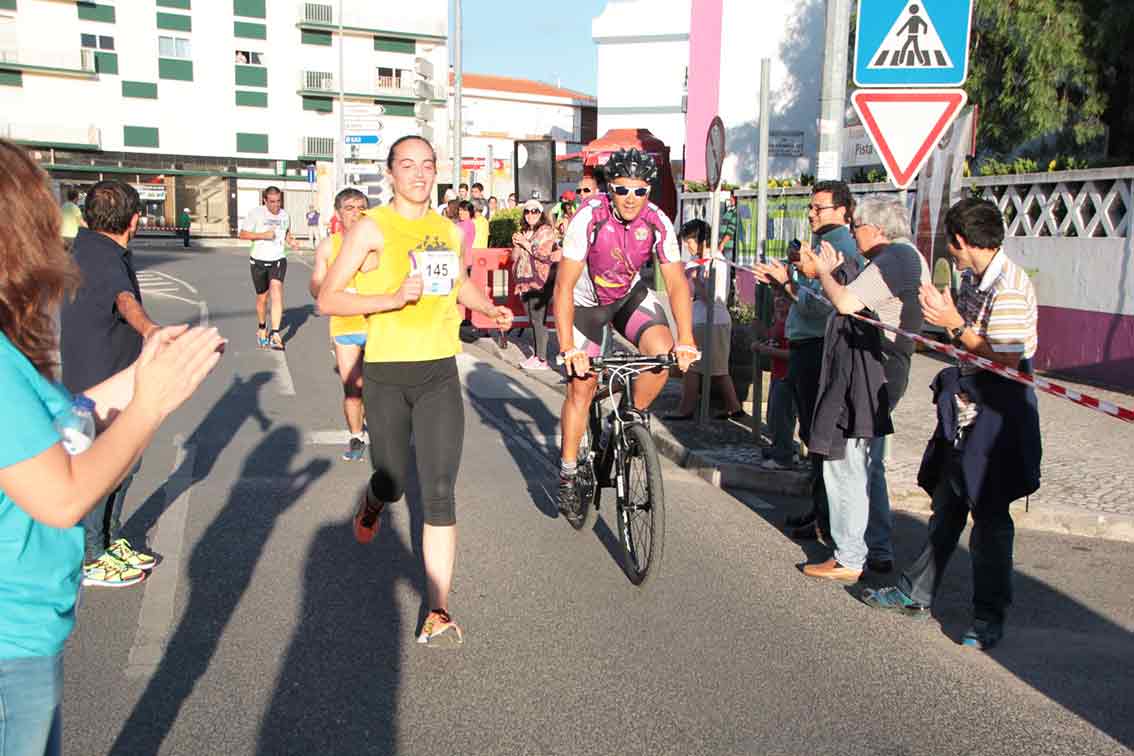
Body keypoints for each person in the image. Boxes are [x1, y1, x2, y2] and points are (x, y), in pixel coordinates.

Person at [0, 139, 225, 755]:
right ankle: (103, 552)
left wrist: (144, 373)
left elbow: (58, 424)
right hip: (11, 644)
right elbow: (60, 497)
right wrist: (149, 404)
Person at [317, 134, 513, 647]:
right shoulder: (371, 227)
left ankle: (438, 609)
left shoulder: (447, 229)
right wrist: (390, 297)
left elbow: (458, 283)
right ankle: (373, 501)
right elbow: (328, 299)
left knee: (440, 490)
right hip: (385, 374)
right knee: (392, 482)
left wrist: (486, 307)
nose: (419, 174)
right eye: (407, 165)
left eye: (427, 165)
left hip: (439, 373)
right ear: (390, 173)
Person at [862, 198, 1041, 651]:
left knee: (990, 521)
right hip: (965, 413)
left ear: (961, 240)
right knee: (947, 507)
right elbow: (964, 341)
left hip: (997, 420)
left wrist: (955, 324)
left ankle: (988, 616)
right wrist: (945, 321)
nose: (949, 254)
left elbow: (1005, 359)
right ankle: (915, 593)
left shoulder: (1009, 287)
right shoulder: (973, 279)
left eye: (950, 245)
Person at [554, 148, 698, 517]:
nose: (631, 198)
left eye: (640, 190)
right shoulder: (589, 217)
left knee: (661, 354)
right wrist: (568, 348)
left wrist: (686, 338)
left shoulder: (657, 220)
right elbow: (564, 287)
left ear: (649, 190)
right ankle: (568, 472)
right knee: (582, 385)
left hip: (626, 297)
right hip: (585, 305)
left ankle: (626, 419)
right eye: (621, 190)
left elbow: (677, 284)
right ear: (610, 189)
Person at [801, 193, 931, 582]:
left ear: (875, 229)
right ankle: (877, 548)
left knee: (845, 462)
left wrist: (823, 274)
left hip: (872, 371)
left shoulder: (896, 258)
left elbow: (845, 303)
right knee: (868, 463)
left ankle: (849, 556)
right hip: (882, 368)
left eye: (857, 227)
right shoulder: (904, 256)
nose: (854, 233)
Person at [61, 180, 164, 588]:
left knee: (124, 462)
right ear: (135, 219)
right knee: (108, 464)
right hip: (105, 383)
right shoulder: (105, 257)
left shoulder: (87, 247)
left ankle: (108, 539)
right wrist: (152, 331)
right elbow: (125, 301)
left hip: (94, 374)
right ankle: (92, 555)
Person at [753, 180, 864, 539]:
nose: (812, 214)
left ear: (843, 211)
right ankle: (819, 511)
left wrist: (786, 284)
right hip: (807, 347)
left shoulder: (839, 248)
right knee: (811, 432)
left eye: (820, 208)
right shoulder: (822, 244)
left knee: (820, 435)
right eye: (811, 208)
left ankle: (827, 519)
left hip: (819, 347)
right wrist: (783, 282)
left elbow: (822, 305)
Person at [309, 188, 371, 462]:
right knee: (353, 388)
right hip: (345, 325)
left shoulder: (378, 244)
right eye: (349, 208)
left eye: (361, 208)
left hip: (377, 322)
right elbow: (315, 285)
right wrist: (330, 289)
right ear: (338, 213)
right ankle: (357, 436)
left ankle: (384, 429)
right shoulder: (329, 246)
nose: (356, 214)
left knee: (382, 388)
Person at [664, 219, 744, 420]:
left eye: (689, 241)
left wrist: (696, 281)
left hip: (713, 321)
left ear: (702, 240)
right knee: (702, 367)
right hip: (699, 319)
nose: (687, 246)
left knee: (709, 368)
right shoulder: (696, 261)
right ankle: (729, 406)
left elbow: (713, 297)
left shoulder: (717, 262)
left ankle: (691, 408)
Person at [238, 186, 299, 351]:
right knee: (262, 298)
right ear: (265, 200)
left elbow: (286, 233)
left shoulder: (284, 215)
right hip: (258, 261)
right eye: (272, 202)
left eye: (278, 201)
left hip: (278, 259)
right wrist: (263, 235)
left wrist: (291, 241)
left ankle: (276, 334)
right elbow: (242, 234)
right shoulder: (256, 214)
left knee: (276, 292)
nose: (276, 205)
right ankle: (262, 328)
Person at [751, 289, 797, 468]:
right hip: (777, 374)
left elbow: (794, 354)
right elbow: (773, 339)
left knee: (781, 417)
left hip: (788, 376)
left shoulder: (793, 322)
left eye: (784, 297)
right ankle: (785, 449)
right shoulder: (778, 319)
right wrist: (761, 336)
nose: (779, 301)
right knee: (774, 416)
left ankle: (783, 457)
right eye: (777, 296)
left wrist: (768, 351)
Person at [512, 199, 559, 370]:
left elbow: (543, 254)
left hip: (541, 281)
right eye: (527, 211)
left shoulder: (545, 231)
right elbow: (514, 257)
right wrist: (517, 245)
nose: (530, 214)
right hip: (523, 281)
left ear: (540, 214)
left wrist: (525, 243)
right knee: (532, 319)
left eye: (535, 211)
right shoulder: (524, 231)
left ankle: (541, 359)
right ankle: (537, 355)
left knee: (538, 320)